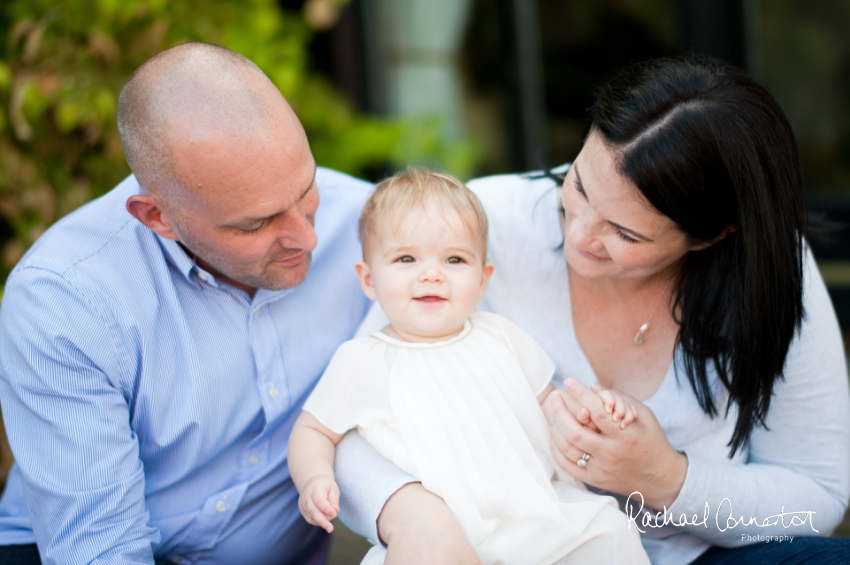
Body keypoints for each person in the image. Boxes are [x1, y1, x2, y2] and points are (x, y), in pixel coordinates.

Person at [333, 57, 850, 565]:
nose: (578, 235)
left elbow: (819, 497)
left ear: (713, 235)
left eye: (624, 233)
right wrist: (414, 515)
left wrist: (666, 479)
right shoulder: (472, 234)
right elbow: (347, 423)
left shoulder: (773, 275)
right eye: (578, 184)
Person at [0, 42, 378, 564]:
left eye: (307, 189)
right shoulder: (65, 296)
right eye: (256, 223)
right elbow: (99, 548)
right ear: (157, 216)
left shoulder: (372, 234)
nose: (307, 238)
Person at [287, 169, 648, 565]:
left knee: (611, 530)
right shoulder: (362, 360)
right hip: (443, 537)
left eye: (454, 259)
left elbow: (550, 404)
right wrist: (315, 478)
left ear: (482, 279)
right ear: (369, 280)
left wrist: (593, 413)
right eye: (406, 258)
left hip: (537, 515)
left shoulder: (501, 336)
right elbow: (313, 430)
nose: (431, 273)